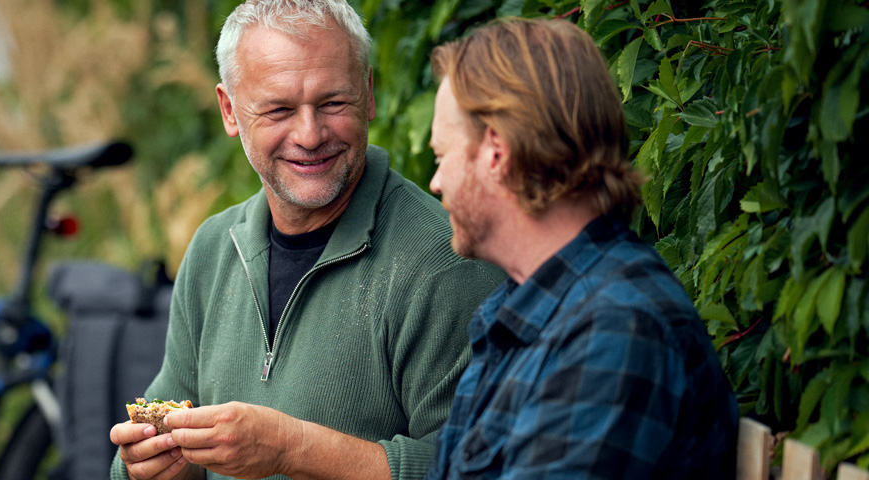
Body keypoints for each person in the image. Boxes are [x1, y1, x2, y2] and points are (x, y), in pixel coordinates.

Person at [108, 1, 504, 479]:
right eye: (278, 109)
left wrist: (292, 448)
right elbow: (165, 435)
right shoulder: (212, 250)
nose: (310, 134)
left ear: (369, 94)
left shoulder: (446, 260)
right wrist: (143, 468)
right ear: (230, 111)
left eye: (333, 103)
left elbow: (477, 468)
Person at [423, 18, 739, 479]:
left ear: (496, 150)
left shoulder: (616, 329)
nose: (434, 182)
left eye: (440, 156)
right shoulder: (525, 308)